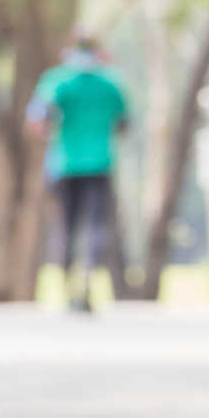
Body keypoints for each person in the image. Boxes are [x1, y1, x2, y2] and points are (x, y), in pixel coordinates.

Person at [25, 36, 130, 313]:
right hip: (99, 163)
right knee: (96, 225)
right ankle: (87, 280)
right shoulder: (110, 83)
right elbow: (123, 124)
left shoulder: (57, 80)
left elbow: (37, 119)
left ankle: (70, 284)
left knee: (67, 226)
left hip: (65, 164)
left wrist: (56, 133)